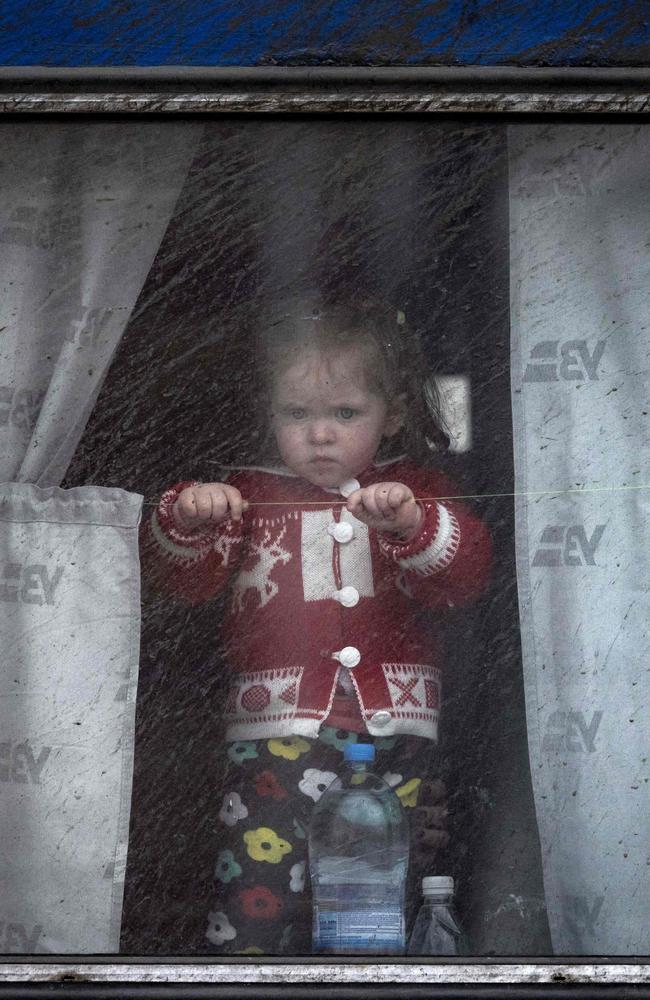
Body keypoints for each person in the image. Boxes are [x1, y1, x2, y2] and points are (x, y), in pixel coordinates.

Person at [142, 296, 492, 954]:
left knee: (386, 894)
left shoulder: (416, 490)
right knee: (261, 886)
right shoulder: (246, 494)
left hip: (398, 738)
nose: (320, 434)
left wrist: (416, 527)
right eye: (296, 414)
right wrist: (186, 519)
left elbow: (465, 579)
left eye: (345, 414)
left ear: (391, 417)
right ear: (269, 414)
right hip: (277, 737)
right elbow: (182, 582)